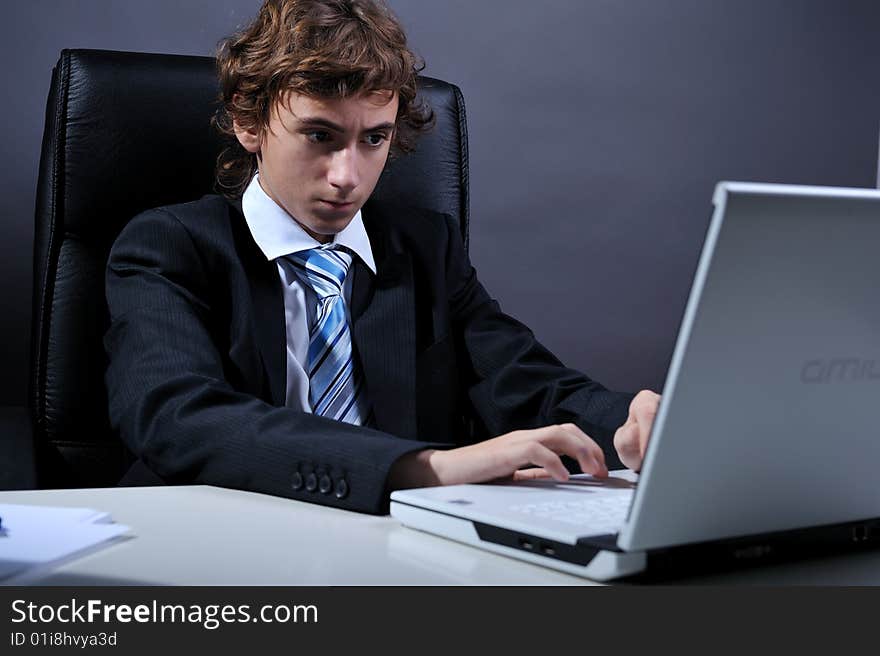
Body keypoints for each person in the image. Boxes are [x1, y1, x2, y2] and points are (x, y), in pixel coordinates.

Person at [104, 0, 661, 514]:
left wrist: (628, 424)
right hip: (213, 542)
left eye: (374, 139)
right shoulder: (168, 245)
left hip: (391, 548)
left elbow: (527, 384)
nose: (348, 178)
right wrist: (422, 469)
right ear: (249, 124)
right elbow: (177, 418)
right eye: (319, 135)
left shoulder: (426, 248)